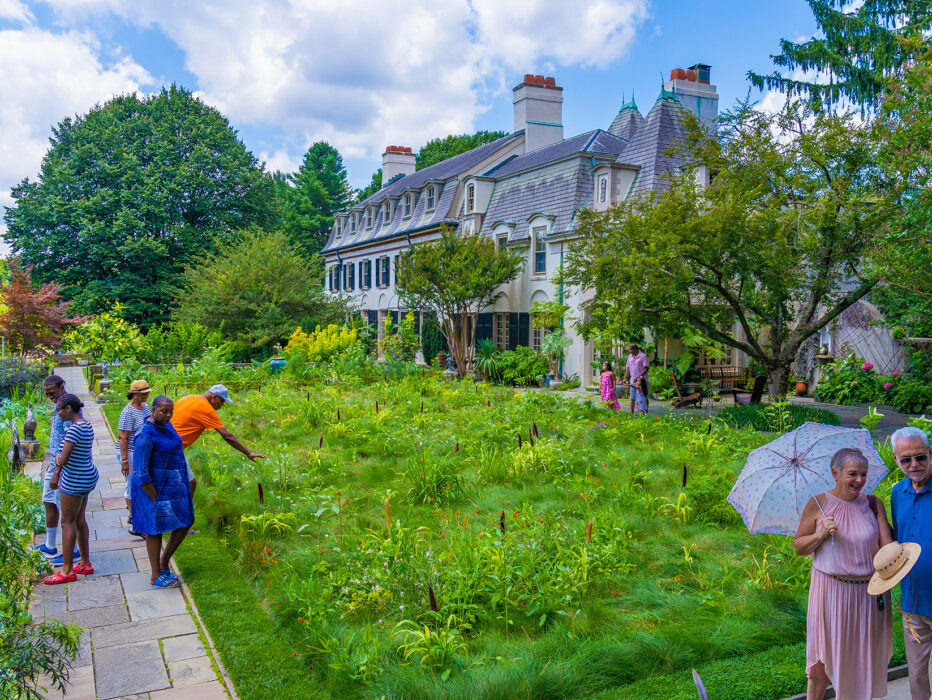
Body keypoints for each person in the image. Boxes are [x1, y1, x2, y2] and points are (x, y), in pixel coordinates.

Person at [793, 447, 893, 700]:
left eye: (863, 474)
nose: (859, 480)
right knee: (819, 666)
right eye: (852, 474)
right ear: (835, 473)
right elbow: (799, 547)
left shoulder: (873, 503)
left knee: (862, 660)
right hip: (830, 593)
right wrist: (821, 534)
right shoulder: (819, 504)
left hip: (869, 594)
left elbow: (887, 548)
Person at [889, 426, 932, 700]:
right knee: (916, 674)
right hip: (913, 602)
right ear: (896, 460)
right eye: (906, 459)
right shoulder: (897, 493)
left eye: (920, 457)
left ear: (931, 453)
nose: (914, 465)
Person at [132, 395, 193, 588]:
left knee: (186, 520)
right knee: (154, 529)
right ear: (153, 410)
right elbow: (140, 471)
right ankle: (155, 575)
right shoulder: (145, 434)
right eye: (163, 411)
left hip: (173, 485)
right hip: (154, 489)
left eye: (170, 412)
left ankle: (164, 561)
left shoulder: (166, 426)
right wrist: (153, 495)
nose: (168, 415)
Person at [44, 394, 99, 584]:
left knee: (67, 523)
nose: (58, 412)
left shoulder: (73, 431)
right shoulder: (86, 425)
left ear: (68, 408)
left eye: (59, 409)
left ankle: (67, 571)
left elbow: (63, 459)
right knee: (79, 519)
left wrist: (56, 471)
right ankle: (85, 562)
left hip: (74, 480)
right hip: (87, 476)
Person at [171, 384, 265, 492]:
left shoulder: (188, 398)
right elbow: (227, 436)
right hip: (172, 448)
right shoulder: (206, 409)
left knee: (179, 483)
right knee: (189, 484)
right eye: (222, 402)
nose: (221, 406)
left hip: (163, 441)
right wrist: (248, 453)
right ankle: (183, 509)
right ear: (214, 397)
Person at [31, 375, 78, 564]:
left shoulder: (67, 406)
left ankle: (73, 551)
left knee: (67, 511)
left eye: (52, 392)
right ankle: (50, 546)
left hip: (64, 466)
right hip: (56, 463)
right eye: (47, 393)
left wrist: (58, 469)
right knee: (48, 501)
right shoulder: (58, 403)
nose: (50, 396)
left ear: (62, 386)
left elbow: (69, 440)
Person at [117, 380, 152, 538]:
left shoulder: (146, 408)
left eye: (147, 393)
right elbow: (123, 438)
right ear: (136, 394)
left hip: (141, 451)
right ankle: (134, 520)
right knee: (132, 483)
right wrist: (124, 461)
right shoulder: (128, 412)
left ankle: (138, 517)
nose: (147, 396)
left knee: (141, 482)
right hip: (130, 451)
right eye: (144, 394)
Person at [623, 343, 649, 413]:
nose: (630, 352)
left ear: (635, 349)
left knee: (644, 397)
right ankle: (632, 413)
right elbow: (628, 368)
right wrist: (625, 378)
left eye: (631, 350)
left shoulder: (643, 356)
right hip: (632, 380)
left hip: (641, 381)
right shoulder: (630, 357)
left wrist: (639, 377)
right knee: (632, 398)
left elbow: (646, 368)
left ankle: (646, 412)